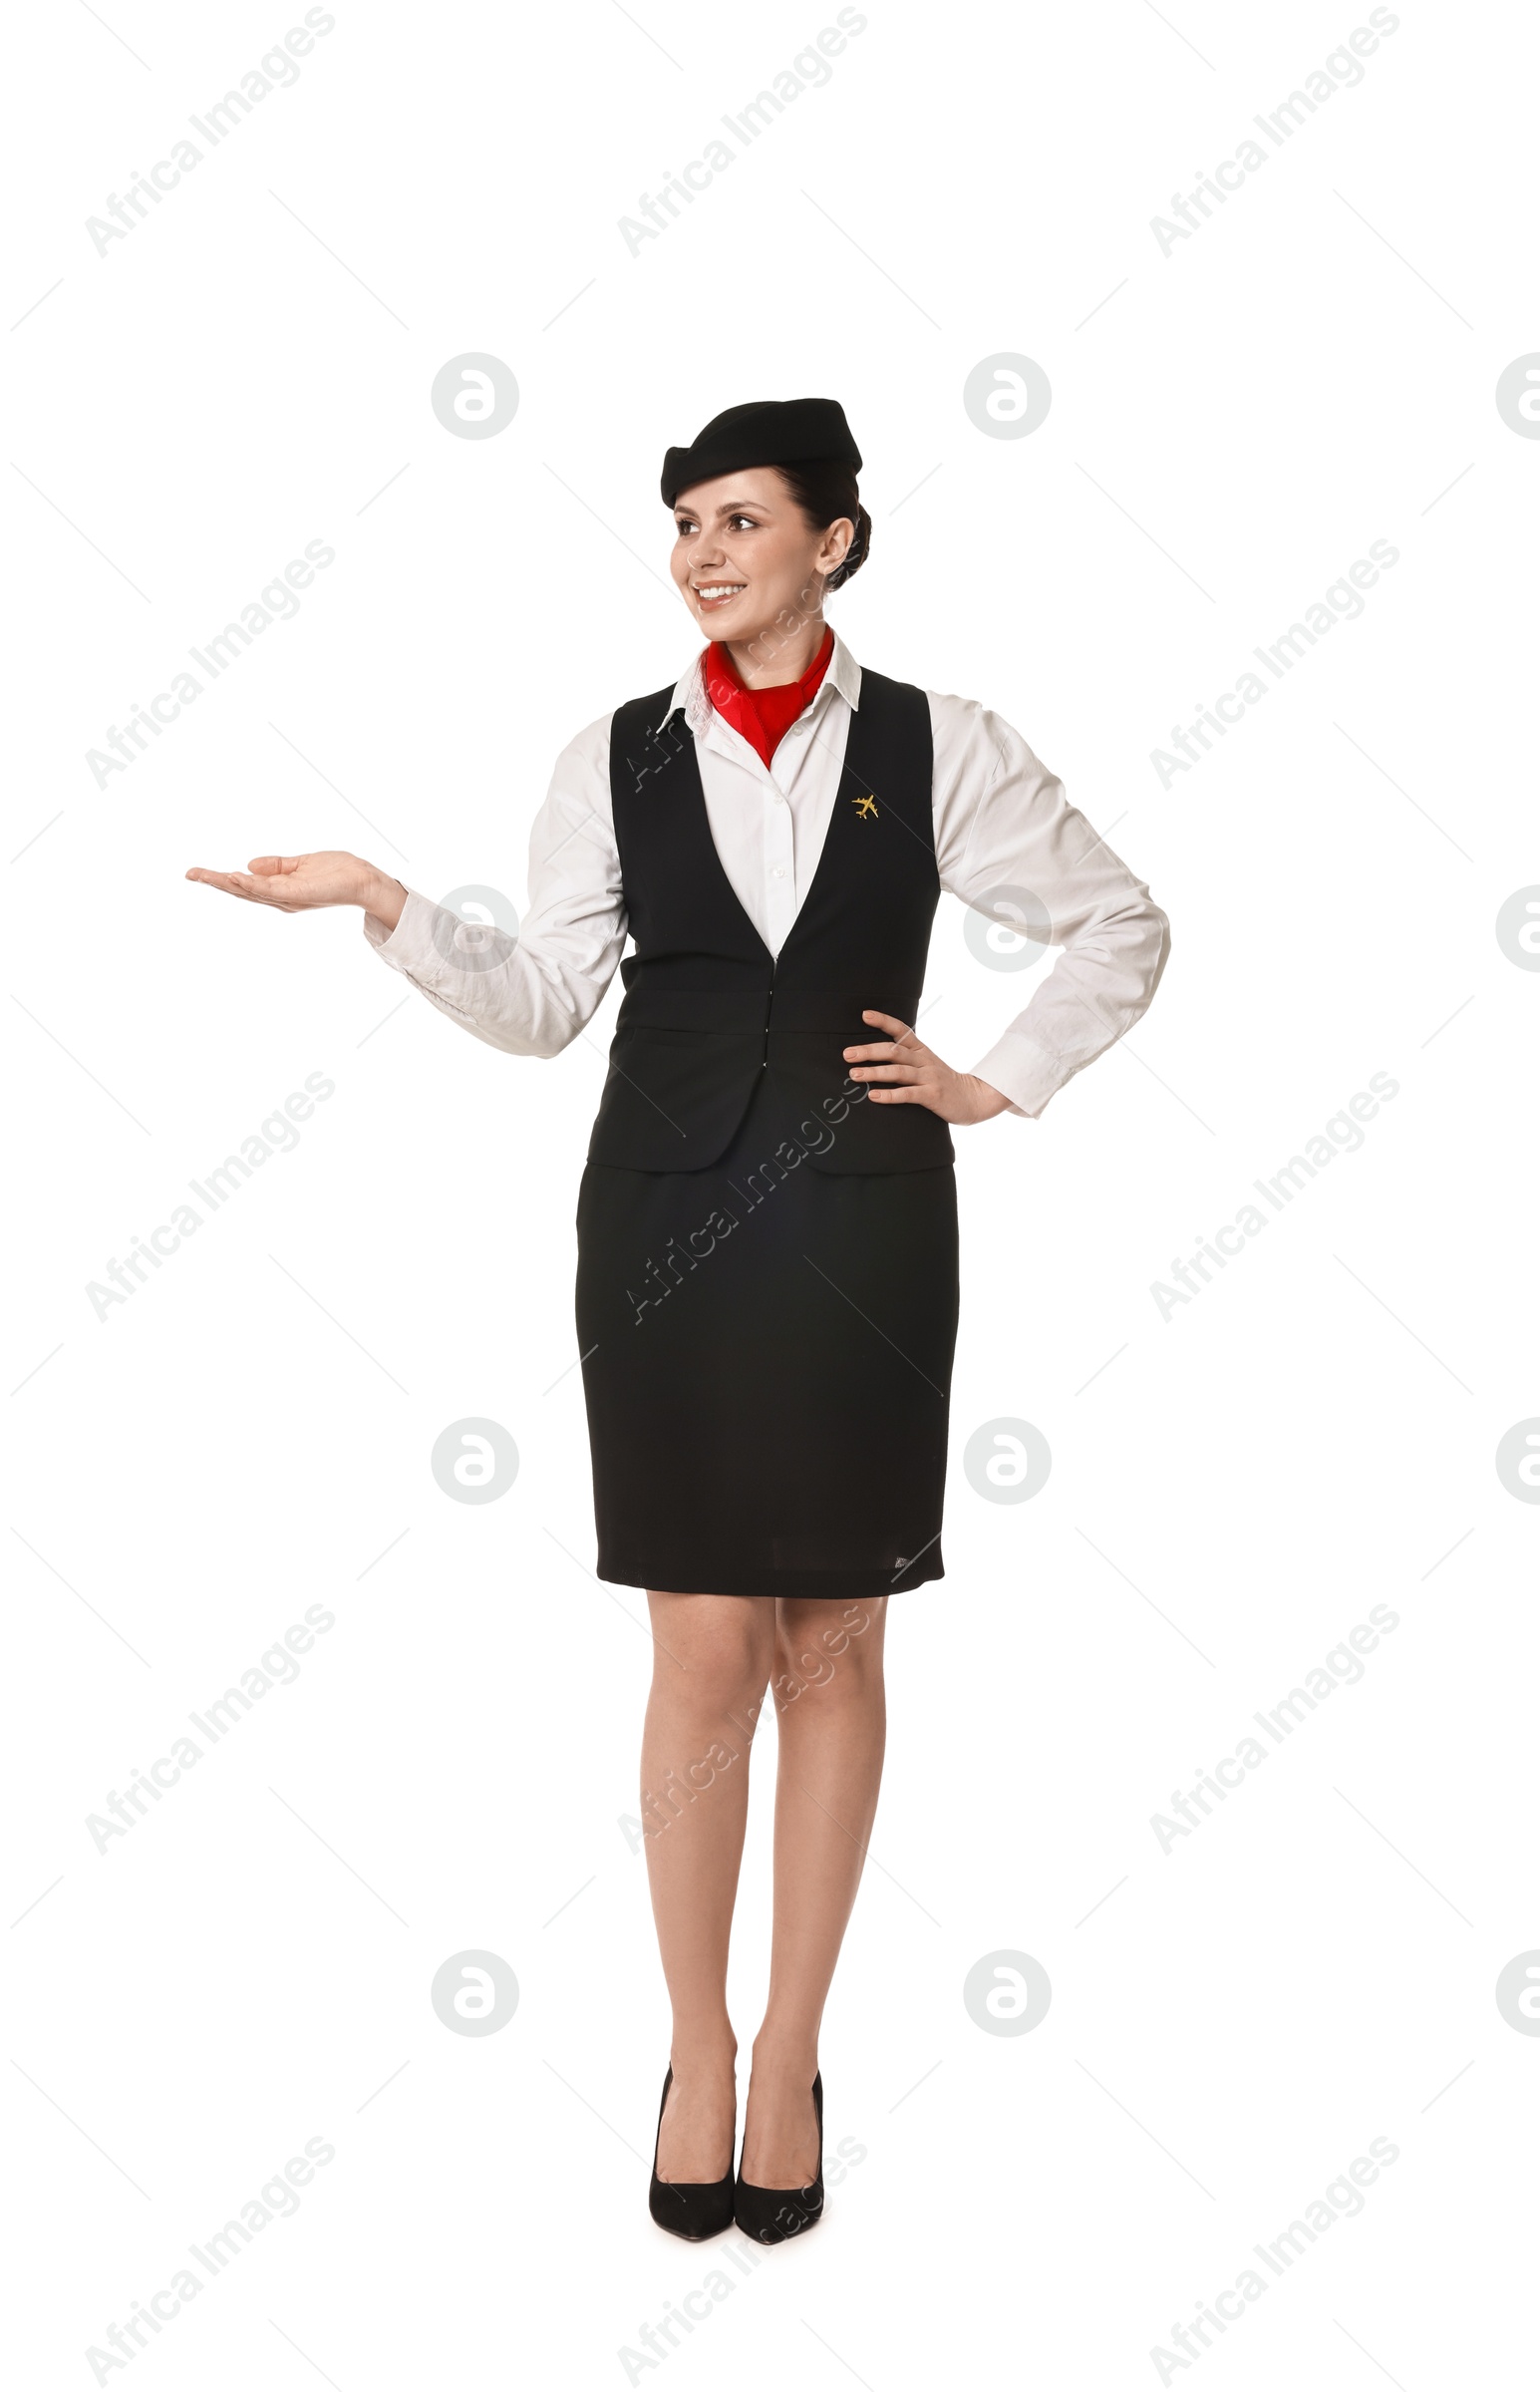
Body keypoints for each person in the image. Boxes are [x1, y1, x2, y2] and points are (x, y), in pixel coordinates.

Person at [186, 395, 1169, 2244]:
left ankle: (792, 2047)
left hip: (867, 1228)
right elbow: (554, 1001)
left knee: (837, 1647)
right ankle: (692, 2046)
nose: (704, 555)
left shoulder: (943, 744)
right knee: (704, 1644)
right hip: (669, 1232)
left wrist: (997, 1077)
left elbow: (1122, 923)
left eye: (739, 521)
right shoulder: (615, 753)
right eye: (686, 525)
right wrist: (390, 906)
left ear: (835, 543)